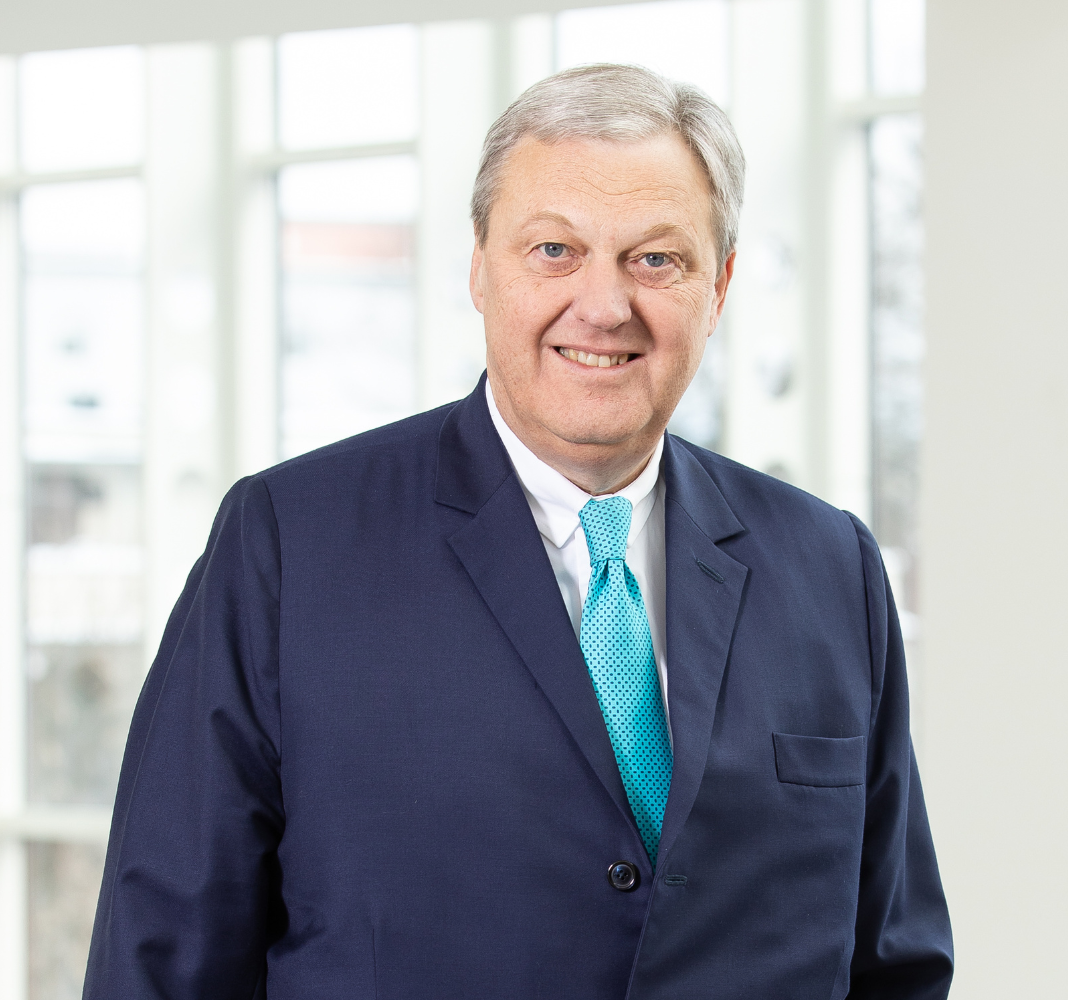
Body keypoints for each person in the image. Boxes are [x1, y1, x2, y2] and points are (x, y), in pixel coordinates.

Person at [83, 63, 952, 999]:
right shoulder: (290, 548)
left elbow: (895, 965)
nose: (605, 307)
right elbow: (160, 962)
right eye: (554, 250)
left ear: (721, 286)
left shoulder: (831, 570)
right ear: (479, 268)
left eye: (656, 260)